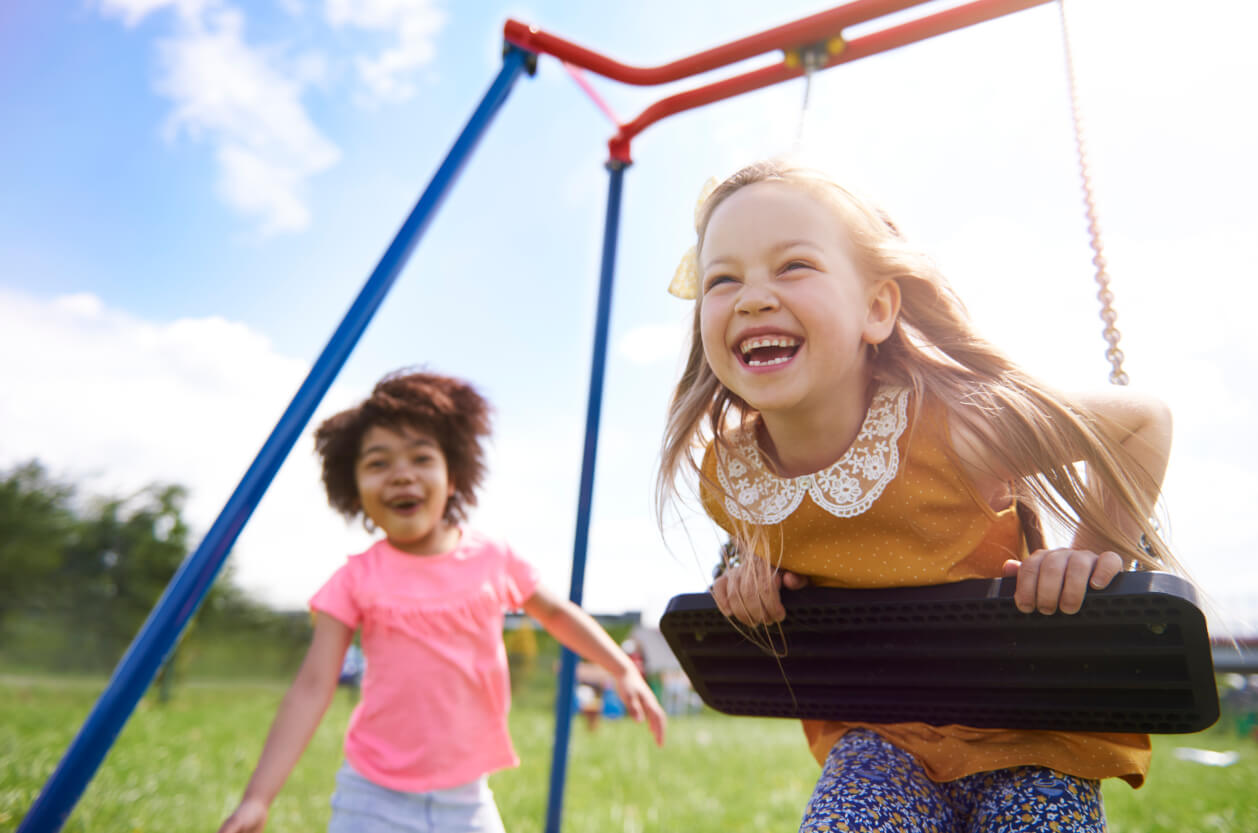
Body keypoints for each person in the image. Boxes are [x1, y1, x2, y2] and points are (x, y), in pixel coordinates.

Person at [656, 159, 1184, 833]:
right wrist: (749, 583)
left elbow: (1143, 420)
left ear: (876, 308)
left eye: (793, 266)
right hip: (882, 739)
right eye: (722, 279)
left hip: (1033, 735)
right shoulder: (731, 479)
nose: (753, 297)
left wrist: (1091, 553)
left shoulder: (953, 429)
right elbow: (784, 556)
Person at [219, 370, 665, 833]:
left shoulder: (492, 558)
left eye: (421, 458)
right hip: (370, 797)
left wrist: (621, 667)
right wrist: (257, 798)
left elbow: (556, 613)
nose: (402, 474)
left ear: (452, 477)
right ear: (354, 488)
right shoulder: (354, 579)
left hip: (466, 800)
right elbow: (312, 686)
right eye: (378, 463)